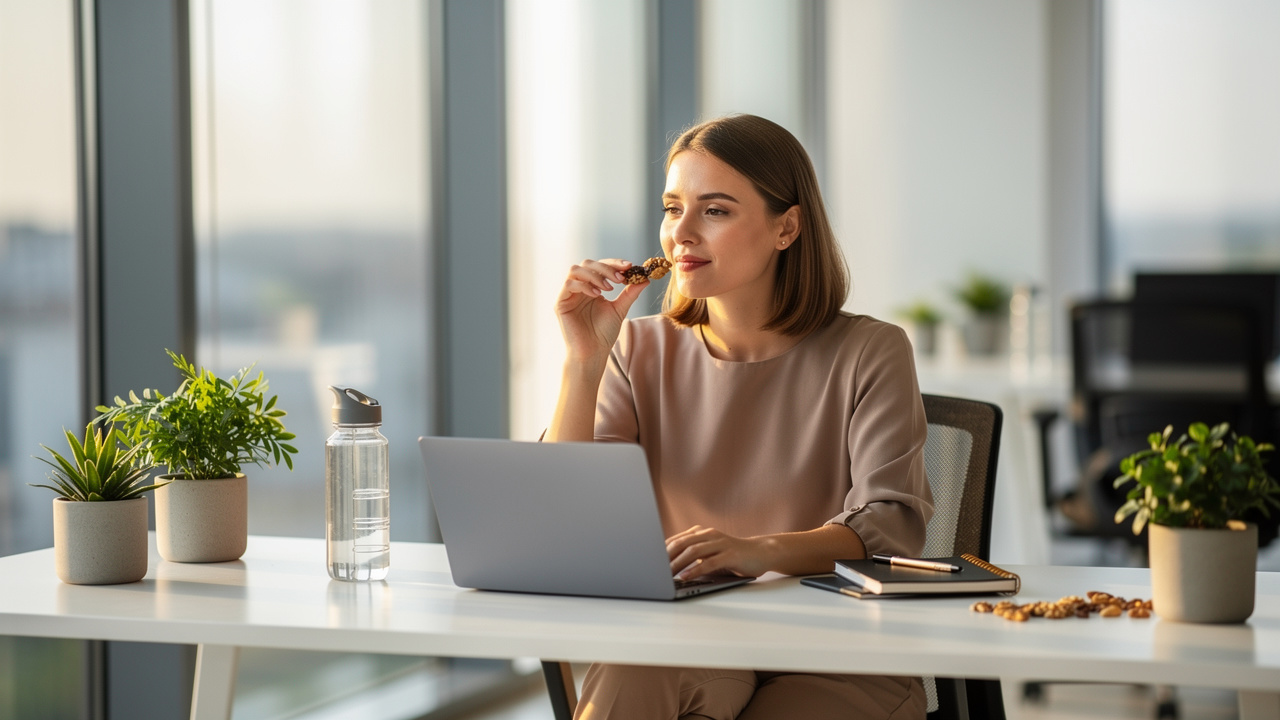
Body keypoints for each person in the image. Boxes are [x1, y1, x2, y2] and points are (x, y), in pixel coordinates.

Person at [547, 114, 933, 720]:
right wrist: (583, 360)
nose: (682, 234)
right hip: (699, 633)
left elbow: (891, 524)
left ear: (787, 227)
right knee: (627, 667)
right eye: (673, 208)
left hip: (837, 649)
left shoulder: (871, 350)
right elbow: (566, 511)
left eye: (715, 210)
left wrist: (757, 551)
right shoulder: (636, 347)